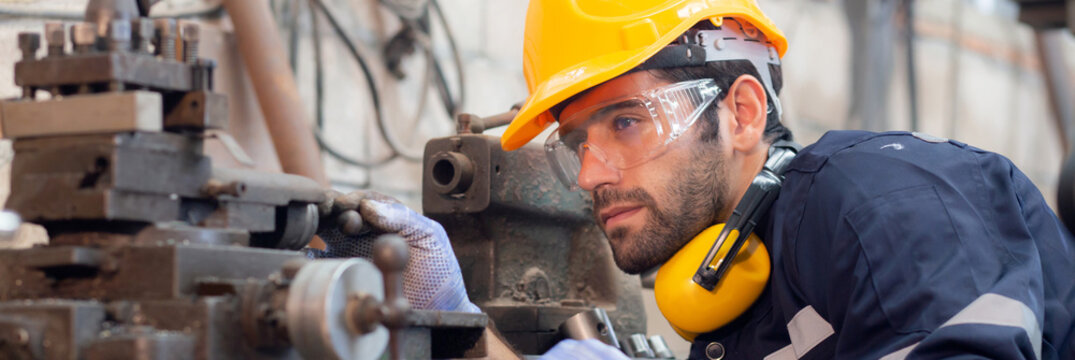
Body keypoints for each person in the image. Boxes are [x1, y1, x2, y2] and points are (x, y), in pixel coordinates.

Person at [314, 0, 1075, 359]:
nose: (588, 171)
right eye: (575, 140)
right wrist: (453, 324)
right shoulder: (741, 308)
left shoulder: (881, 202)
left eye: (625, 121)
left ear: (742, 112)